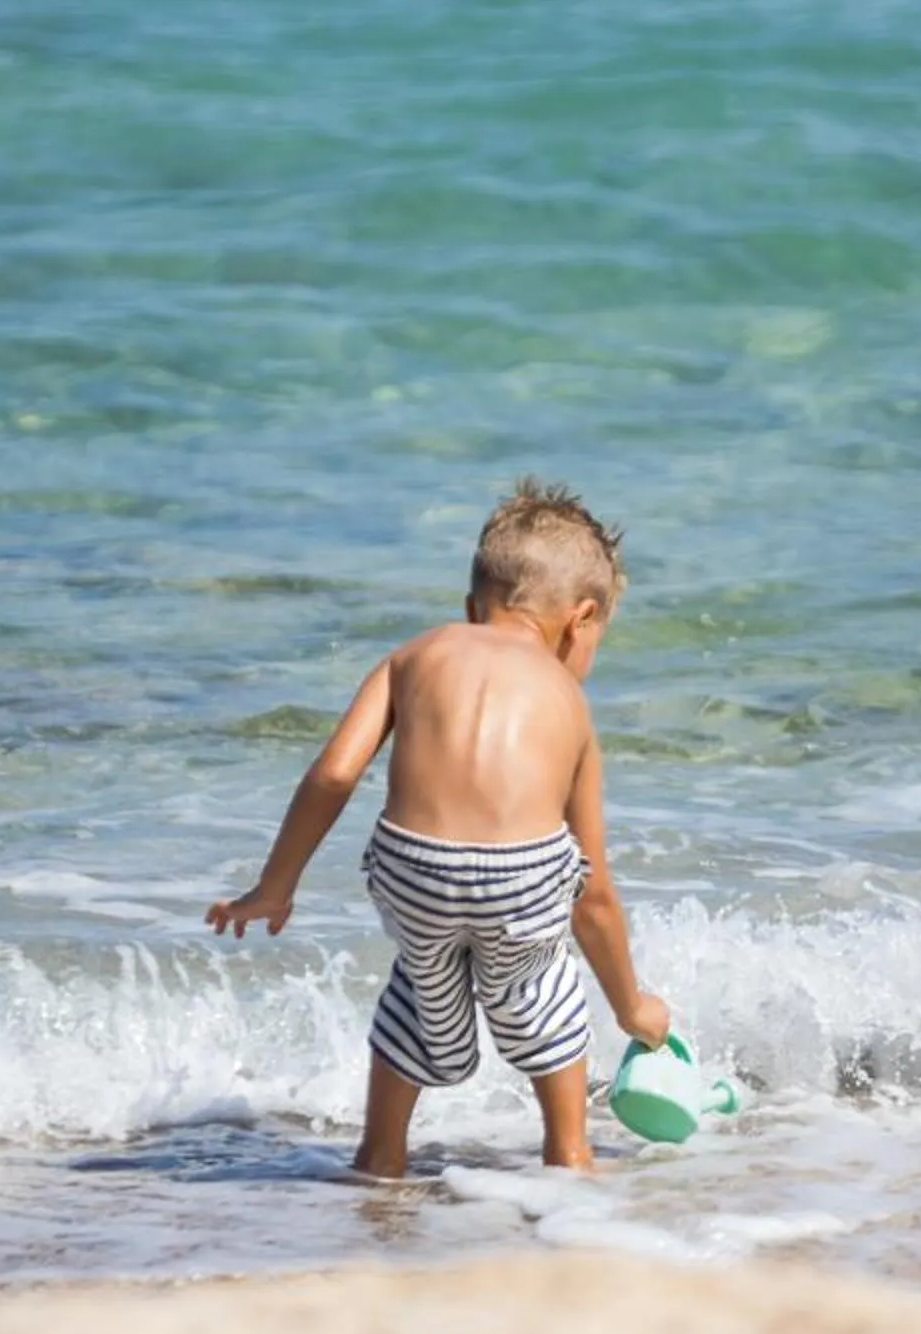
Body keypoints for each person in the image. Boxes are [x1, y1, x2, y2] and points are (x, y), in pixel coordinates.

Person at [207, 479, 673, 1175]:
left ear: (470, 608)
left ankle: (381, 1154)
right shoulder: (568, 705)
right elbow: (593, 891)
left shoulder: (412, 656)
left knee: (422, 983)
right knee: (542, 985)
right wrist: (631, 1005)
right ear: (580, 621)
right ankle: (570, 1153)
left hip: (412, 869)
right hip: (520, 877)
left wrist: (274, 888)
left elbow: (334, 776)